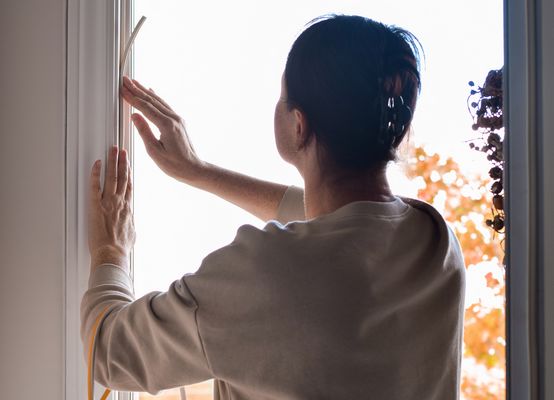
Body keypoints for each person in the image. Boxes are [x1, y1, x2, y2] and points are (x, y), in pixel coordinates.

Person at [82, 14, 465, 399]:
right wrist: (201, 172)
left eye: (282, 97)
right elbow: (345, 228)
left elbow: (109, 353)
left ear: (299, 124)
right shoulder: (435, 241)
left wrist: (109, 251)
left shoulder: (259, 273)